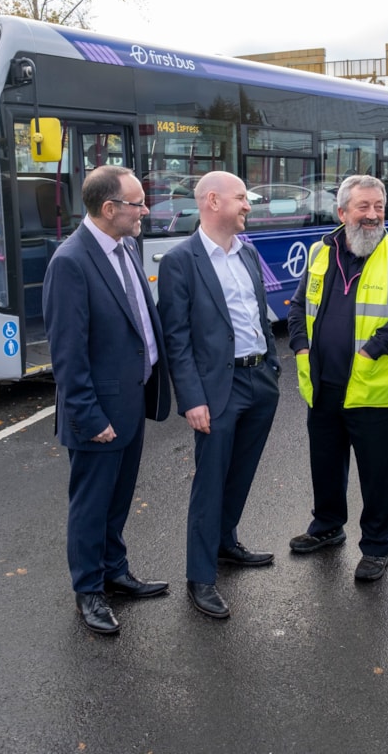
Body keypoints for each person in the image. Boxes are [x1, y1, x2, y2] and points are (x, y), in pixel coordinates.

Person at [42, 165, 171, 636]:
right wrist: (89, 416)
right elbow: (68, 354)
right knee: (91, 506)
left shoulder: (127, 247)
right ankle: (89, 590)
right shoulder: (71, 261)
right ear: (110, 208)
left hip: (131, 403)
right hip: (98, 413)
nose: (145, 210)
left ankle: (115, 572)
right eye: (138, 203)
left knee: (118, 501)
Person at [286, 174, 388, 582]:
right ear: (342, 212)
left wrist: (371, 349)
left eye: (378, 207)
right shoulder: (320, 253)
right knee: (325, 464)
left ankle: (377, 546)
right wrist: (301, 347)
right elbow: (296, 307)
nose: (373, 215)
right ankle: (327, 526)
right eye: (363, 207)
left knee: (379, 474)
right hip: (323, 383)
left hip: (372, 387)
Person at [158, 171, 281, 620]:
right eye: (241, 198)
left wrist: (272, 364)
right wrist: (192, 398)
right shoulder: (180, 261)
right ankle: (201, 577)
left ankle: (227, 543)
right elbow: (177, 339)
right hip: (216, 390)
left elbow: (259, 315)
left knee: (241, 473)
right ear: (213, 201)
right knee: (210, 482)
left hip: (258, 383)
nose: (249, 205)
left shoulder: (247, 253)